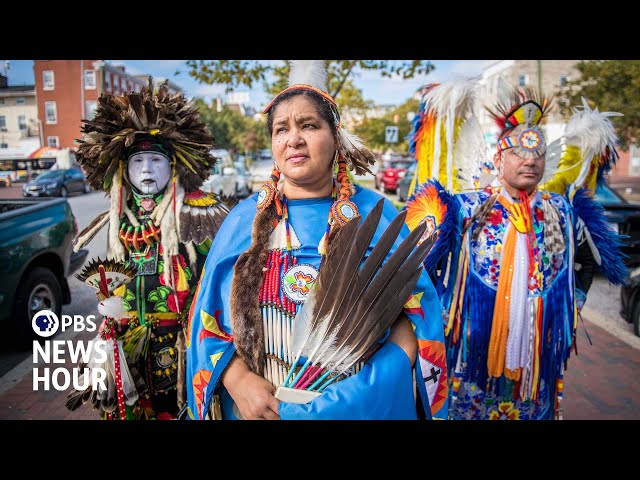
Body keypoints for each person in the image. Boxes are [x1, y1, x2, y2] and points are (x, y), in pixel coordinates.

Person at [185, 60, 449, 420]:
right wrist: (237, 379)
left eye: (308, 125)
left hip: (359, 407)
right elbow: (206, 321)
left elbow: (415, 321)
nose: (293, 139)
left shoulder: (375, 216)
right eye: (281, 129)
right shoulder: (243, 222)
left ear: (335, 134)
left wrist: (357, 395)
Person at [404, 79, 627, 420]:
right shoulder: (466, 208)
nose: (529, 161)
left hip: (536, 353)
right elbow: (423, 271)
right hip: (471, 348)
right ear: (499, 158)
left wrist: (571, 306)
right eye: (518, 153)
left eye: (537, 153)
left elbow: (584, 261)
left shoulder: (561, 210)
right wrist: (441, 319)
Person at [66, 79, 229, 420]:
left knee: (178, 409)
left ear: (172, 167)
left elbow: (220, 280)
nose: (146, 170)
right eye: (138, 162)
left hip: (180, 344)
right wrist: (108, 309)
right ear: (124, 171)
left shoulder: (199, 211)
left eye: (155, 160)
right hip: (126, 342)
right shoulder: (119, 217)